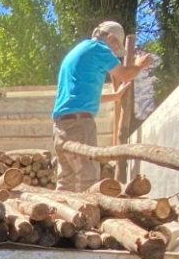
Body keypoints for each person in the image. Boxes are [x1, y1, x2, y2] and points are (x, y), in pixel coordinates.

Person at [52, 21, 151, 192]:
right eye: (115, 49)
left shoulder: (78, 51)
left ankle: (59, 215)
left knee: (66, 180)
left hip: (60, 125)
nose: (113, 53)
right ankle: (86, 216)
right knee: (88, 178)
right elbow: (126, 73)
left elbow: (82, 98)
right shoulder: (98, 49)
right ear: (111, 39)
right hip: (79, 125)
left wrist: (116, 96)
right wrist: (141, 64)